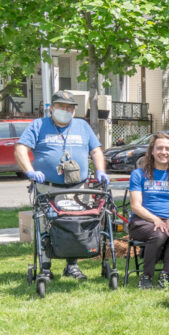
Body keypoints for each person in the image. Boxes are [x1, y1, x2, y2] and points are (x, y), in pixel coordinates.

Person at [16, 90, 109, 281]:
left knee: (74, 225)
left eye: (69, 107)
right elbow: (20, 148)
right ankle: (45, 267)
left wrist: (101, 170)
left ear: (74, 110)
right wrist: (29, 170)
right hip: (48, 187)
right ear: (52, 108)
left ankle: (71, 266)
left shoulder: (82, 126)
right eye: (61, 107)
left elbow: (97, 150)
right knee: (46, 226)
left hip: (78, 187)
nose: (66, 110)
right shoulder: (39, 125)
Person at [128, 133, 169, 289]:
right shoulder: (138, 174)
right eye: (159, 148)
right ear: (152, 151)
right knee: (159, 234)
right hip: (143, 221)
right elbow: (135, 205)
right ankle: (146, 276)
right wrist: (156, 220)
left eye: (168, 149)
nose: (164, 152)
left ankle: (165, 275)